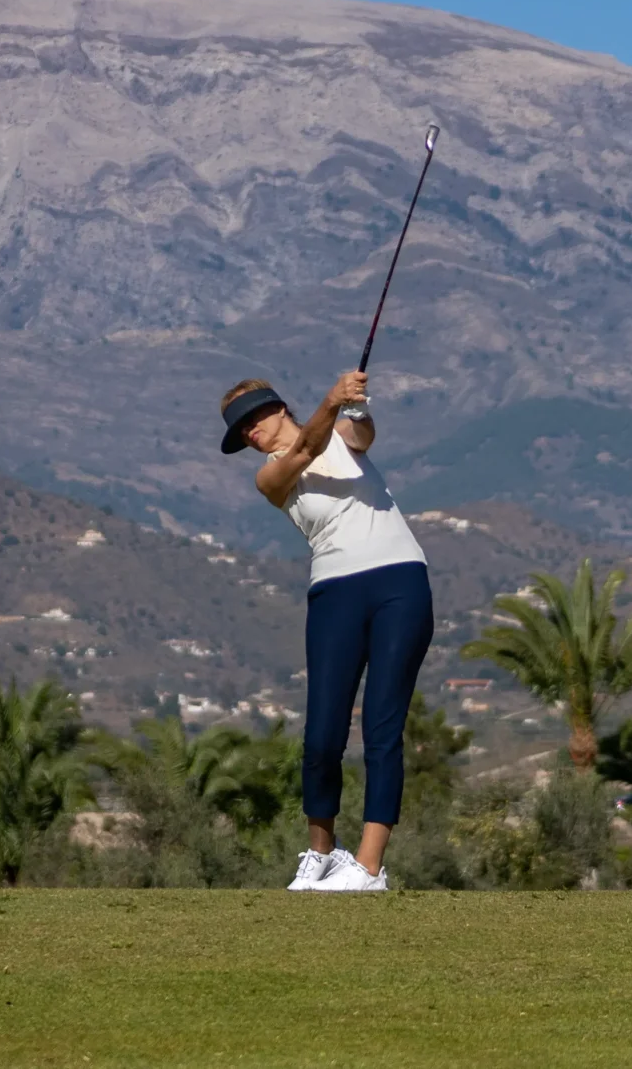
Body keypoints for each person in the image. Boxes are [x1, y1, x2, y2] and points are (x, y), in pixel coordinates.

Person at [218, 368, 431, 893]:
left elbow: (360, 434)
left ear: (277, 407)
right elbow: (307, 448)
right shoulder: (271, 475)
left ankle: (369, 868)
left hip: (400, 582)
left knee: (382, 730)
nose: (248, 431)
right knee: (322, 736)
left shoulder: (341, 432)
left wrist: (352, 405)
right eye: (239, 430)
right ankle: (321, 853)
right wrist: (332, 399)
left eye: (251, 418)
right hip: (335, 592)